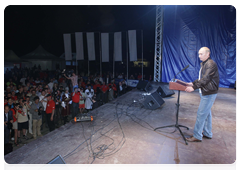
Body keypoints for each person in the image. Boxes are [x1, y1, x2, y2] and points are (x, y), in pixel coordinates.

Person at [185, 47, 219, 142]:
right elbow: (202, 78)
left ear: (208, 54)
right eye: (199, 54)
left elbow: (206, 79)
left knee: (201, 114)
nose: (199, 56)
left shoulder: (210, 64)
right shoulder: (204, 64)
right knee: (207, 114)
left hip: (209, 93)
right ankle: (207, 133)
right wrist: (193, 83)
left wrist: (194, 87)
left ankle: (197, 135)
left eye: (201, 54)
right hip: (206, 92)